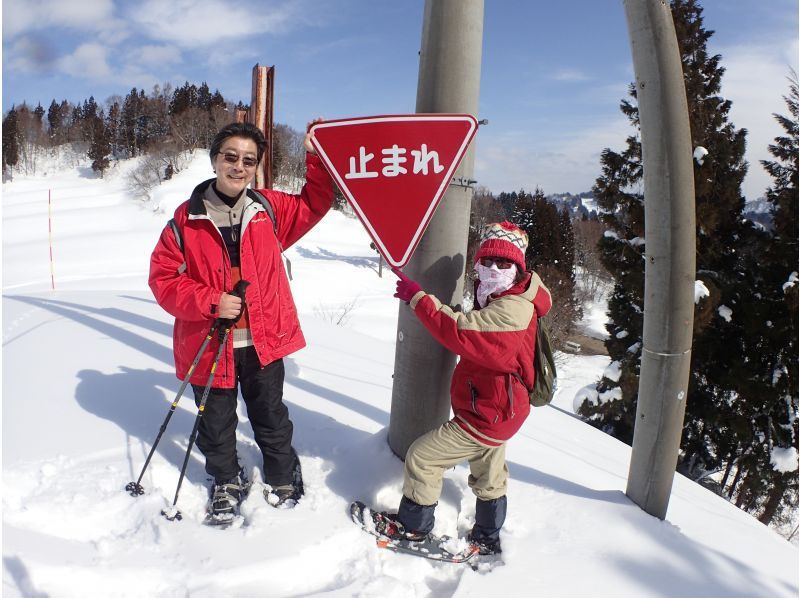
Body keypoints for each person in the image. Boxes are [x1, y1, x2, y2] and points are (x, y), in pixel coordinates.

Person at [149, 121, 334, 522]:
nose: (239, 166)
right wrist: (211, 301)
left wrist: (317, 156)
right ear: (215, 160)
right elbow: (163, 280)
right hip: (208, 343)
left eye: (249, 160)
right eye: (230, 156)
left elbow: (317, 202)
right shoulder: (185, 220)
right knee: (214, 424)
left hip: (263, 341)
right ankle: (226, 479)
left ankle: (282, 473)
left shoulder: (269, 209)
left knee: (269, 414)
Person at [385, 221, 552, 554]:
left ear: (517, 269)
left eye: (503, 264)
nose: (493, 269)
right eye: (487, 261)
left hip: (486, 413)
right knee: (489, 473)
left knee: (423, 457)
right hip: (501, 406)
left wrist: (420, 300)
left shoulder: (513, 309)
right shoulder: (509, 296)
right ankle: (488, 535)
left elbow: (463, 332)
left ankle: (414, 527)